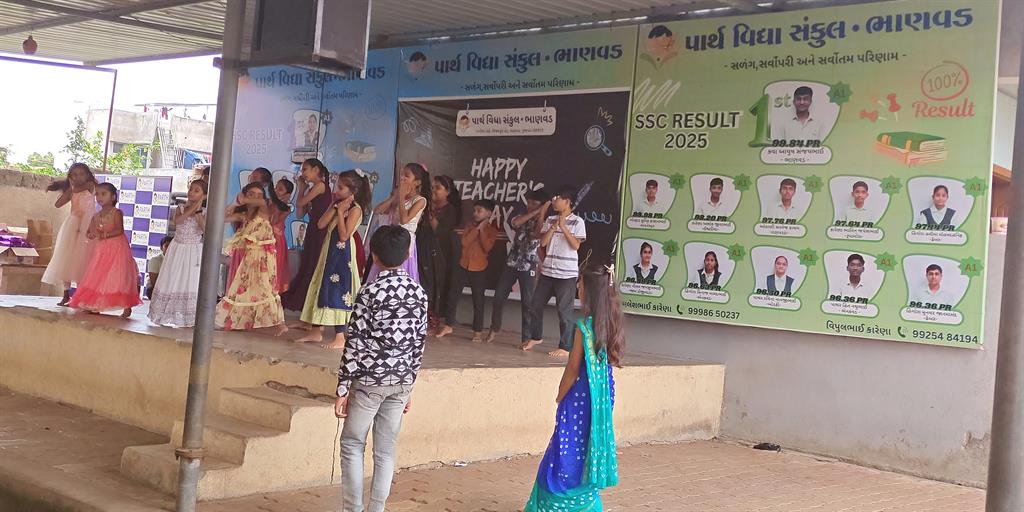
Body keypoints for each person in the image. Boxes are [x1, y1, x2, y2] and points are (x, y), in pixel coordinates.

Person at [335, 225, 428, 512]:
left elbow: (355, 343)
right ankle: (376, 509)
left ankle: (353, 509)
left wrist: (343, 388)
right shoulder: (419, 293)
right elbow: (418, 344)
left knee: (352, 444)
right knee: (385, 451)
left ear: (373, 255)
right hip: (401, 382)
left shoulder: (370, 291)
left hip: (369, 382)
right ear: (408, 254)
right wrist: (409, 386)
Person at [523, 263, 623, 511]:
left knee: (566, 444)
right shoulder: (611, 323)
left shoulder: (583, 328)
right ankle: (585, 501)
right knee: (590, 442)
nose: (577, 286)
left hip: (579, 397)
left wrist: (560, 395)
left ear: (589, 291)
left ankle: (558, 503)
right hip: (601, 397)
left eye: (580, 283)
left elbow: (573, 368)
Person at [294, 171, 370, 348]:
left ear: (353, 191)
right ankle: (315, 331)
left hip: (342, 255)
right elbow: (321, 224)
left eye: (340, 188)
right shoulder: (337, 204)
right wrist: (334, 207)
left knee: (338, 290)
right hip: (328, 252)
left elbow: (344, 235)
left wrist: (342, 212)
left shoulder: (356, 209)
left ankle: (340, 336)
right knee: (321, 286)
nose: (336, 190)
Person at [523, 186, 586, 358]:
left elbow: (576, 245)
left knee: (564, 312)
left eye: (558, 197)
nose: (554, 200)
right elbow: (542, 243)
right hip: (548, 272)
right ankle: (536, 337)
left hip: (566, 274)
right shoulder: (550, 219)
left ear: (567, 202)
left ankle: (565, 346)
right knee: (535, 305)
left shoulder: (578, 222)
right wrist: (553, 227)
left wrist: (563, 227)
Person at [215, 183, 286, 335]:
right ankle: (237, 321)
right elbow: (222, 218)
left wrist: (242, 199)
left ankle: (280, 323)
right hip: (249, 258)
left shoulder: (263, 210)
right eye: (251, 194)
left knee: (266, 288)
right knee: (243, 288)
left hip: (264, 258)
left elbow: (262, 202)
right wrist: (234, 204)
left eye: (259, 194)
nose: (256, 198)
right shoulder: (244, 216)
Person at [68, 183, 142, 318]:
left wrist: (104, 235)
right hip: (102, 249)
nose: (99, 197)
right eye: (97, 194)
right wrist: (90, 235)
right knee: (99, 275)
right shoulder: (96, 216)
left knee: (119, 275)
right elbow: (90, 232)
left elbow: (119, 230)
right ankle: (94, 304)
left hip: (117, 248)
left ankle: (127, 306)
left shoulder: (116, 213)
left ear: (113, 197)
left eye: (103, 194)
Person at [487, 190, 549, 344]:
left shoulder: (546, 221)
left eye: (535, 204)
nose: (530, 206)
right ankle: (494, 328)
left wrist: (541, 214)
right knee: (499, 296)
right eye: (529, 202)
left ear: (542, 205)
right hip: (512, 261)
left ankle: (526, 338)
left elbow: (537, 235)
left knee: (527, 303)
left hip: (529, 265)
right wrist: (534, 212)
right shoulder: (521, 215)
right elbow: (515, 223)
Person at [436, 199, 498, 342]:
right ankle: (449, 325)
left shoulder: (492, 230)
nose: (475, 213)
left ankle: (477, 331)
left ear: (489, 213)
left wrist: (482, 230)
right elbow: (465, 242)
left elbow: (486, 247)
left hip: (479, 267)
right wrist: (477, 229)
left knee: (478, 300)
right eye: (475, 210)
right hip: (463, 264)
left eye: (479, 211)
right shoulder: (470, 225)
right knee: (453, 295)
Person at [149, 180, 207, 327]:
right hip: (178, 248)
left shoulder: (205, 212)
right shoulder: (180, 208)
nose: (191, 192)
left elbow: (205, 230)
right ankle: (164, 313)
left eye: (197, 190)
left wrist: (199, 213)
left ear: (204, 195)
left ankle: (189, 317)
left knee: (190, 279)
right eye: (191, 189)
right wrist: (192, 207)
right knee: (172, 277)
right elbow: (178, 221)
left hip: (193, 250)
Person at [42, 162, 97, 307]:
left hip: (87, 224)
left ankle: (81, 296)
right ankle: (66, 294)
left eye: (81, 174)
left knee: (83, 260)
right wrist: (68, 190)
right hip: (72, 224)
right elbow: (58, 204)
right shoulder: (72, 189)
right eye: (75, 175)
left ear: (88, 175)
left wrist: (71, 187)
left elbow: (79, 189)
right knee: (66, 259)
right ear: (71, 177)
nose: (78, 177)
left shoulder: (90, 185)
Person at [282, 158, 333, 314]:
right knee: (307, 262)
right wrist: (303, 189)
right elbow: (300, 213)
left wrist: (301, 188)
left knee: (313, 263)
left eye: (305, 169)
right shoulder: (312, 189)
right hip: (313, 230)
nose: (302, 173)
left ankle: (310, 300)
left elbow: (300, 203)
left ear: (316, 170)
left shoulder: (320, 186)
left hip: (320, 231)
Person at [367, 163, 430, 283]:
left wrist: (401, 196)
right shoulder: (399, 198)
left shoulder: (420, 200)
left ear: (417, 182)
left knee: (400, 270)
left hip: (404, 240)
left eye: (407, 176)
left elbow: (404, 220)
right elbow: (378, 210)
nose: (402, 178)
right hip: (391, 238)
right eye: (401, 175)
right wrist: (394, 197)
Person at [427, 175, 461, 333]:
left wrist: (429, 213)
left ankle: (436, 321)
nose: (434, 191)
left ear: (447, 192)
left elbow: (440, 232)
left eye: (438, 188)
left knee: (438, 286)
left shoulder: (450, 210)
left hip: (442, 253)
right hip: (426, 250)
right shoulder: (426, 204)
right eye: (432, 187)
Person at [270, 178, 295, 293]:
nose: (276, 191)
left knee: (274, 267)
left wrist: (276, 204)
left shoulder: (287, 208)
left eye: (280, 189)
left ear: (287, 195)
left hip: (276, 241)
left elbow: (274, 221)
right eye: (276, 188)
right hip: (265, 238)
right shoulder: (268, 203)